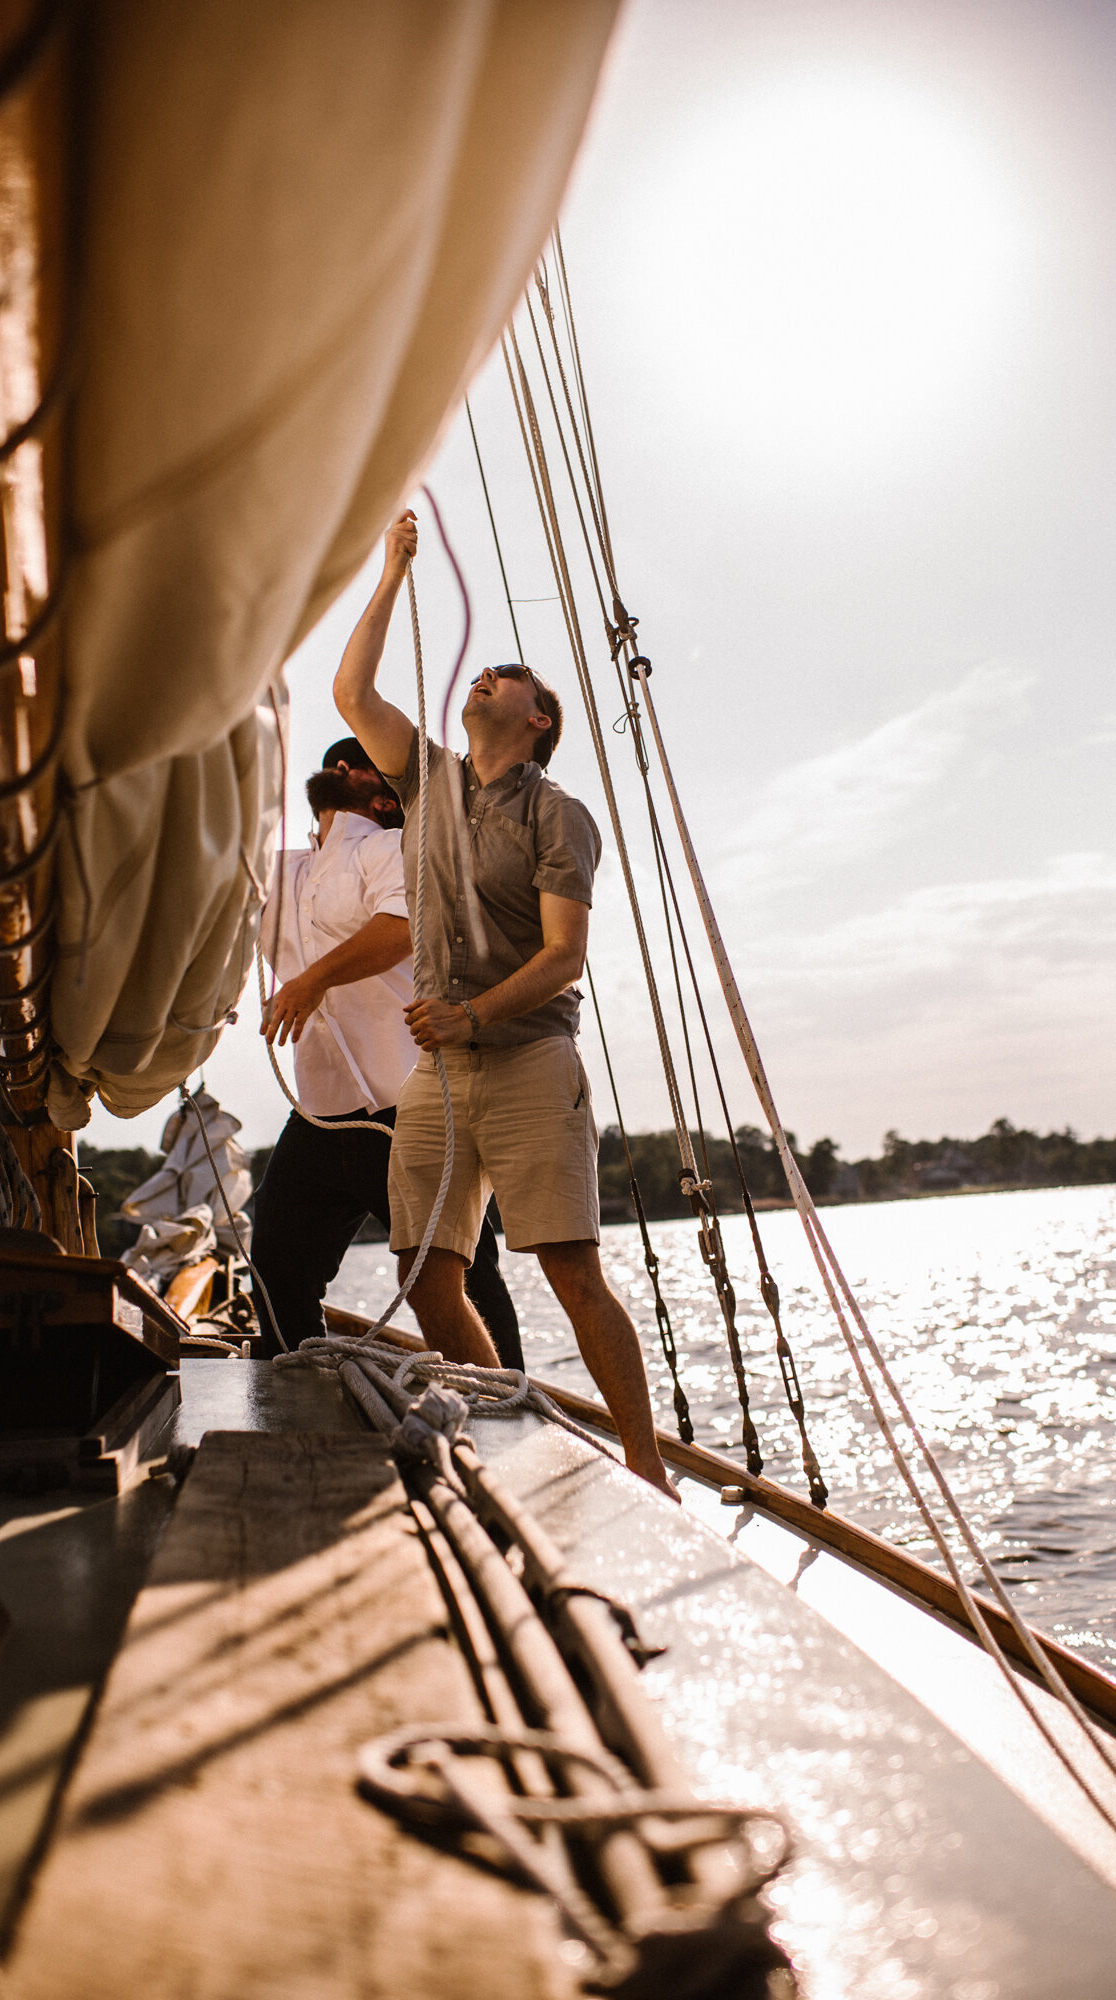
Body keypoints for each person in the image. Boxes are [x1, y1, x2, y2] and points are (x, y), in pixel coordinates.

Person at [333, 510, 675, 1497]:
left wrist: (473, 1017)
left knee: (570, 1269)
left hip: (525, 1058)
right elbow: (351, 690)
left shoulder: (555, 811)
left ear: (538, 720)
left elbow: (567, 955)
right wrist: (393, 571)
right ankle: (504, 1433)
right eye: (485, 671)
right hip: (440, 1070)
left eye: (510, 676)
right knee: (424, 1272)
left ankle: (650, 1469)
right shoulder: (430, 780)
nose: (488, 674)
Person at [250, 736, 523, 1365]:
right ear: (339, 771)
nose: (379, 786)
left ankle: (512, 1407)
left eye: (390, 782)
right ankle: (299, 1403)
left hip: (412, 1108)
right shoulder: (277, 869)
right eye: (369, 770)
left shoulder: (391, 850)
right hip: (322, 1115)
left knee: (465, 1277)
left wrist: (311, 980)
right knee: (277, 1274)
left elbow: (400, 929)